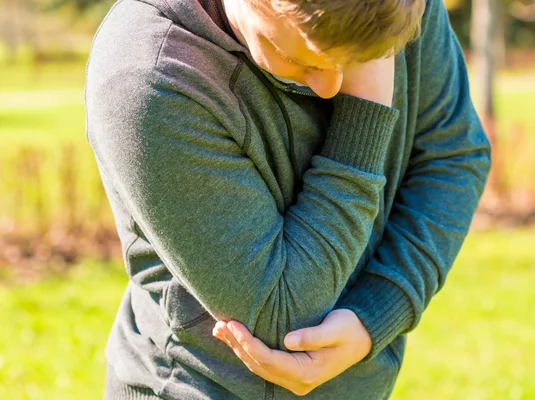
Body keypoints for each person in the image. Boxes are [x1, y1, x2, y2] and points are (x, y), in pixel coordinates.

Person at [85, 0, 491, 398]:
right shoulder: (149, 75)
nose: (333, 85)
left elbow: (454, 155)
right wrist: (366, 105)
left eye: (358, 61)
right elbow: (287, 318)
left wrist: (379, 310)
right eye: (301, 60)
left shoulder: (392, 9)